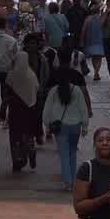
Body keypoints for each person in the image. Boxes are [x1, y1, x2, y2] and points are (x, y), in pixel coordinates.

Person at [42, 48, 92, 190]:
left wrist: (47, 123)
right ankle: (73, 179)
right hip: (75, 125)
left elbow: (47, 109)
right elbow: (83, 108)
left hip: (60, 126)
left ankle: (68, 182)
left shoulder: (54, 91)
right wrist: (85, 125)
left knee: (63, 154)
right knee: (72, 153)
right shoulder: (76, 90)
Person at [3, 35, 43, 172]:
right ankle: (30, 151)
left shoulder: (11, 74)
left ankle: (17, 161)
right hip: (30, 109)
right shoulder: (31, 75)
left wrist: (3, 110)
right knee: (28, 134)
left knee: (15, 136)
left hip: (15, 110)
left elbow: (6, 94)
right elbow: (37, 90)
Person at [81, 4, 106, 80]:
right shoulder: (101, 18)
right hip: (99, 40)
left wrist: (81, 40)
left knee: (94, 57)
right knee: (98, 58)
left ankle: (96, 72)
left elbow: (83, 30)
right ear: (99, 11)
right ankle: (96, 72)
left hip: (90, 41)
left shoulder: (88, 19)